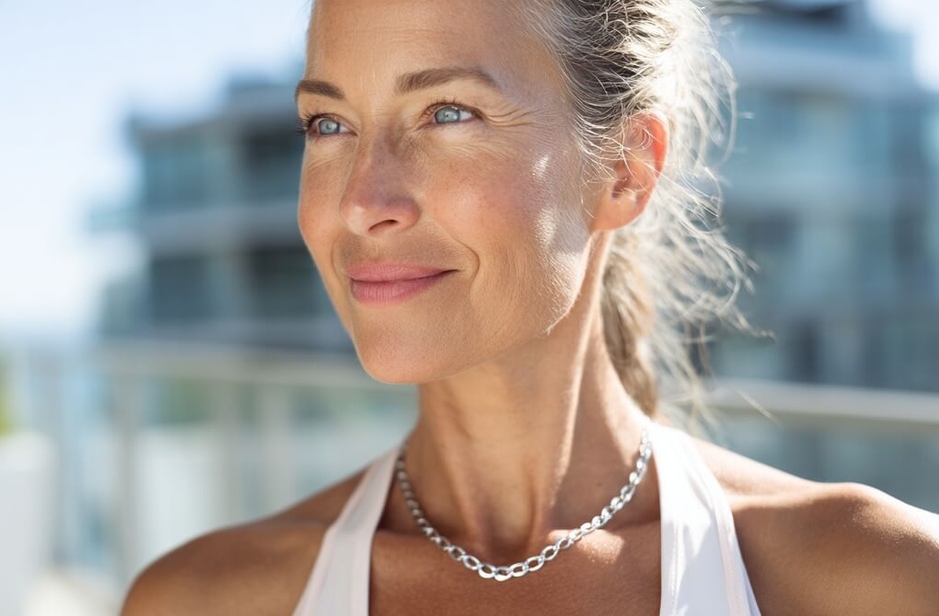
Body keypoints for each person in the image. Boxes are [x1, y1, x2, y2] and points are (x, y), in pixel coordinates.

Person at [122, 0, 939, 613]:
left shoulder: (877, 582)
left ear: (625, 170)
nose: (362, 202)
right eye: (329, 124)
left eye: (448, 113)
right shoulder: (204, 601)